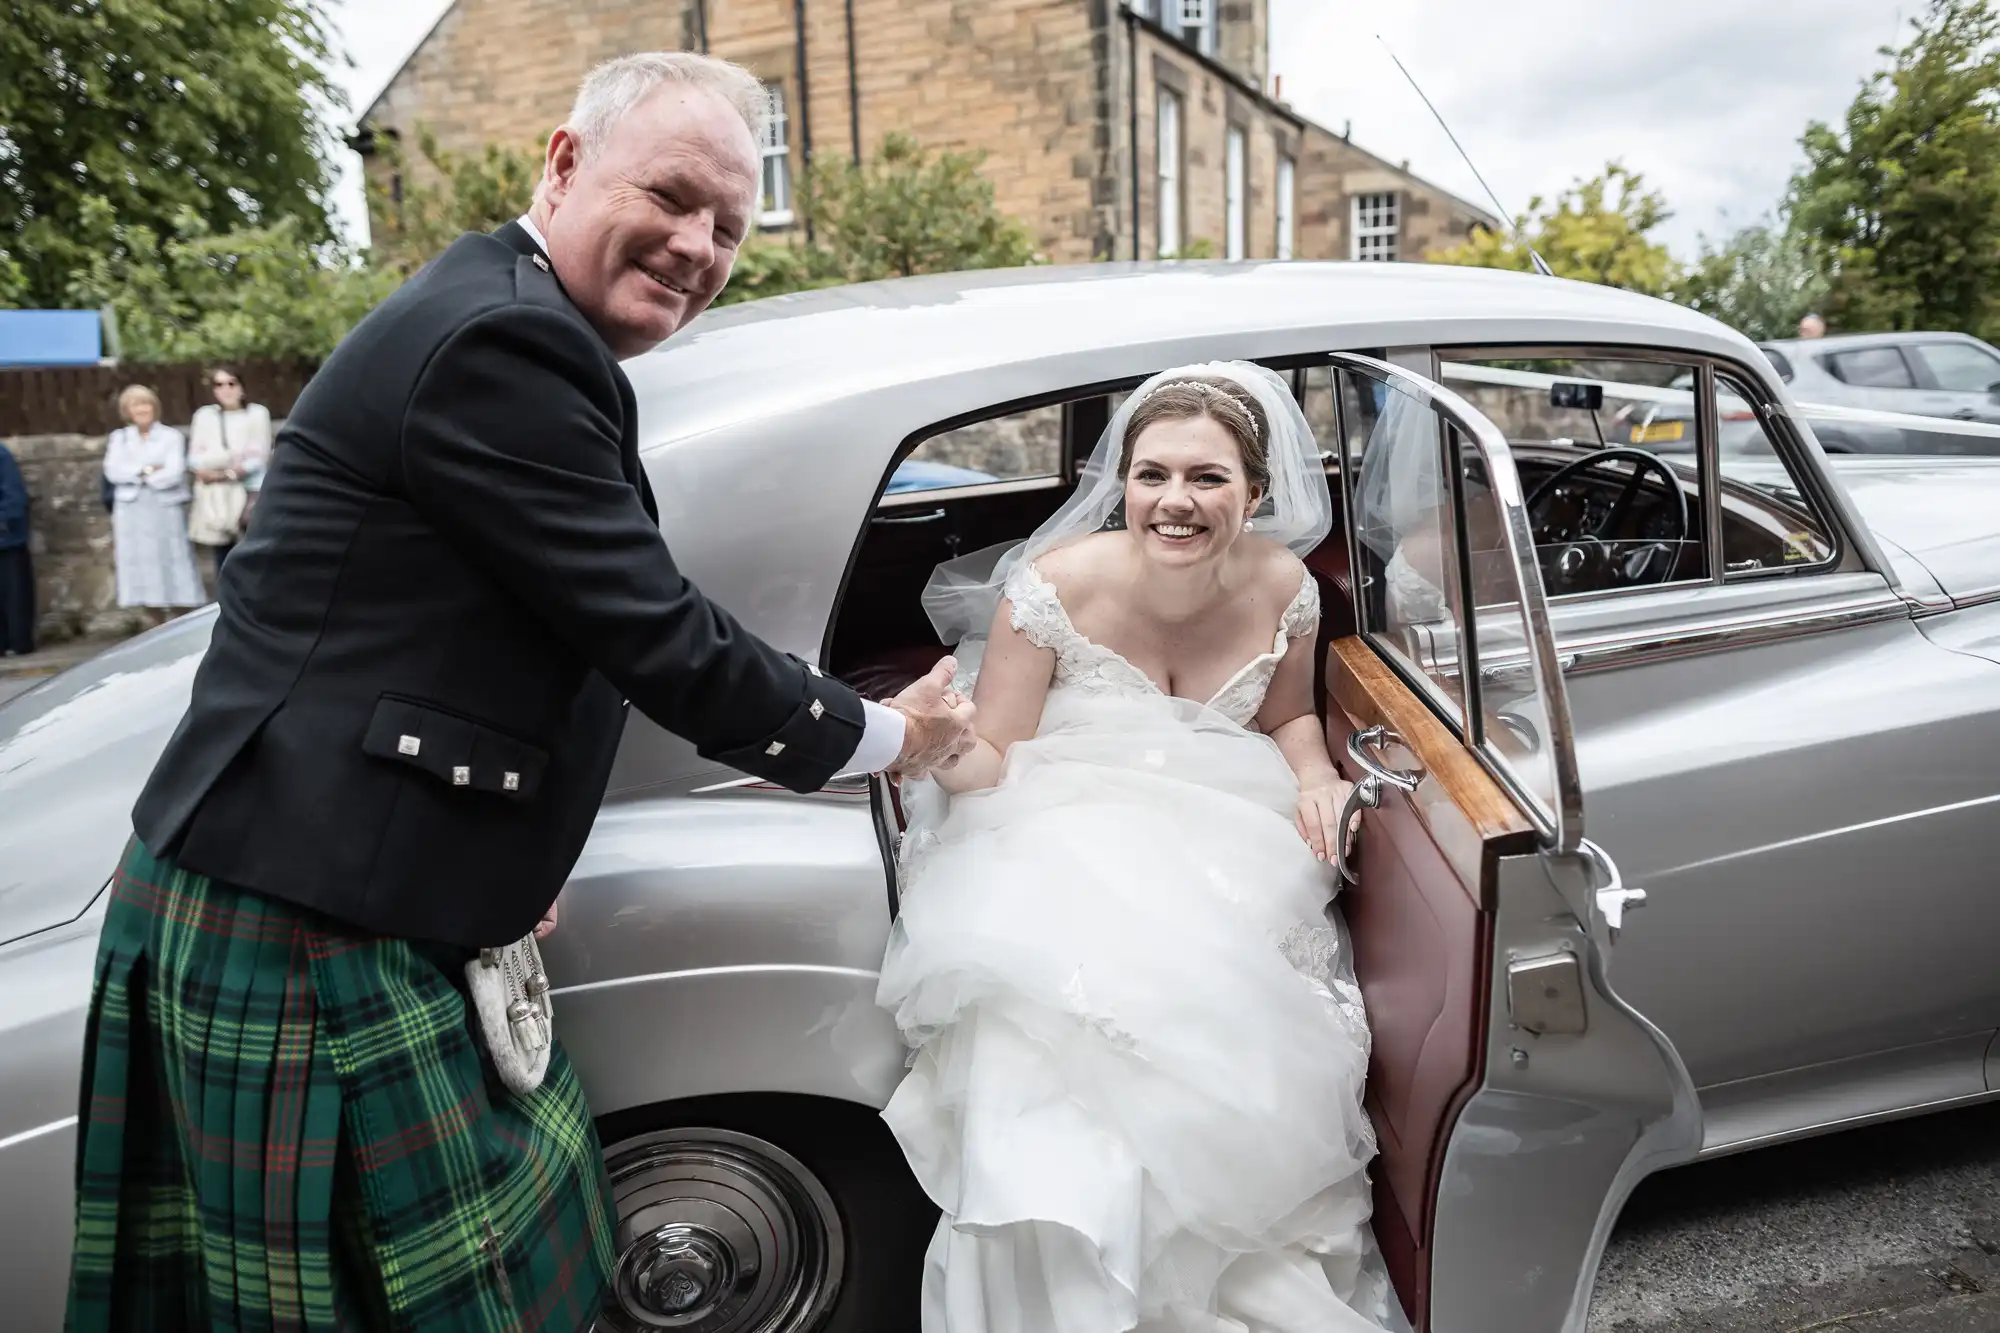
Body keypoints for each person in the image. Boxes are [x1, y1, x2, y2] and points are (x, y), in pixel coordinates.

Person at [65, 52, 975, 1333]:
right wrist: (891, 735)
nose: (696, 245)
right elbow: (647, 629)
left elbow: (471, 635)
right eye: (668, 195)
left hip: (347, 868)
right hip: (304, 903)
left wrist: (511, 842)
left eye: (726, 222)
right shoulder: (504, 339)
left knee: (464, 1266)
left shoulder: (510, 316)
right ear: (560, 163)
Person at [880, 363, 1401, 1332]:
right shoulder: (1052, 587)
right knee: (1055, 1063)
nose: (1174, 501)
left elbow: (1285, 719)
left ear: (1255, 490)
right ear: (1119, 482)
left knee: (1247, 1023)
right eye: (1151, 473)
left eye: (1206, 478)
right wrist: (938, 744)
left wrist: (1321, 773)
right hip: (1056, 838)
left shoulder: (1286, 587)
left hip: (1226, 842)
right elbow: (996, 757)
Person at [102, 384, 207, 626]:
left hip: (164, 509)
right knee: (141, 568)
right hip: (131, 511)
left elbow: (173, 473)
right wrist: (147, 469)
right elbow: (113, 471)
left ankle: (184, 621)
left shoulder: (171, 437)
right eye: (135, 405)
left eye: (146, 403)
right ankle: (155, 622)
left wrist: (138, 474)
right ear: (127, 410)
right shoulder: (119, 439)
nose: (141, 409)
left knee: (172, 563)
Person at [185, 364, 274, 572]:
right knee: (222, 555)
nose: (226, 389)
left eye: (231, 383)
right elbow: (194, 458)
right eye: (219, 384)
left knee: (254, 549)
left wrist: (225, 472)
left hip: (250, 491)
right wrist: (224, 463)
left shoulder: (257, 414)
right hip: (218, 496)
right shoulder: (205, 416)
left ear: (241, 386)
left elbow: (257, 457)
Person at [0, 436, 32, 655]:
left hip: (7, 536)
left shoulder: (1, 455)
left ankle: (19, 642)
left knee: (14, 594)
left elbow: (14, 495)